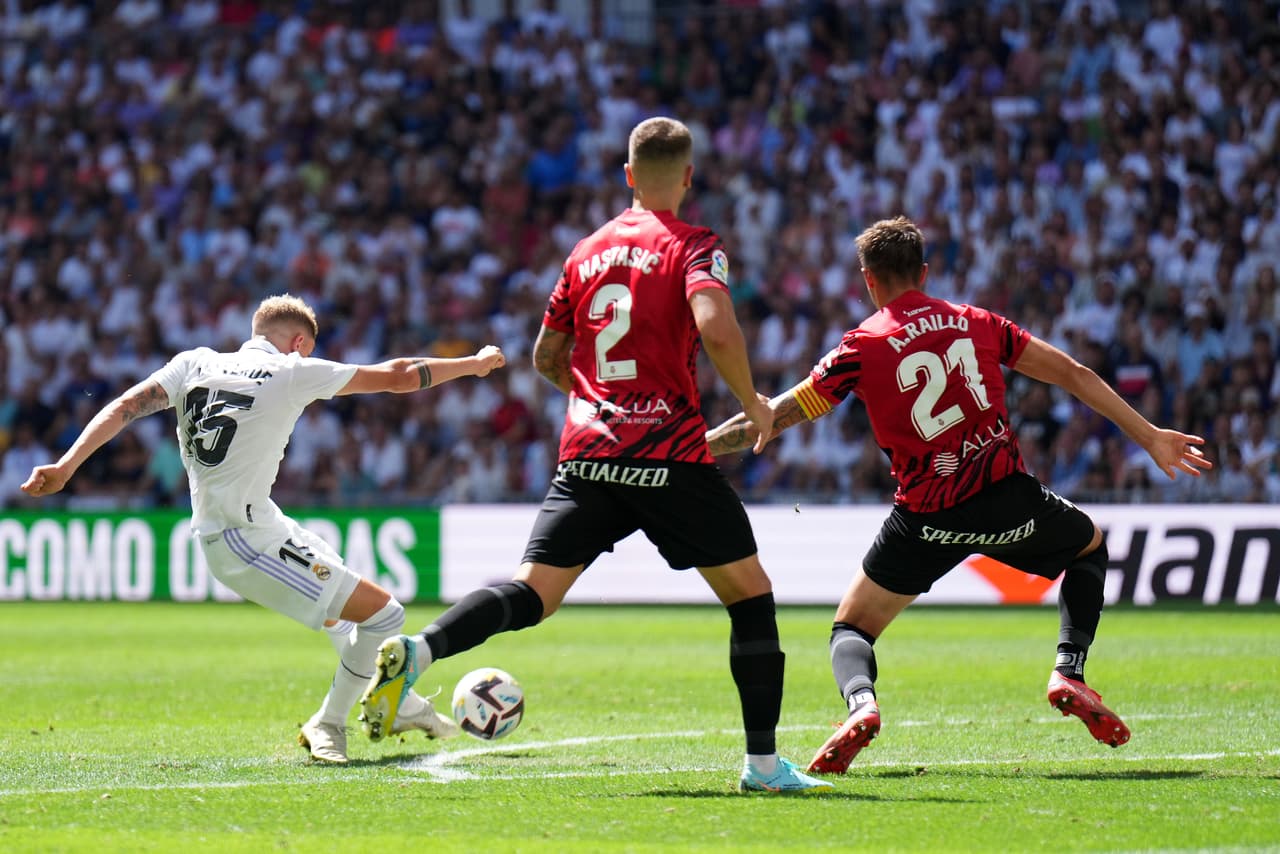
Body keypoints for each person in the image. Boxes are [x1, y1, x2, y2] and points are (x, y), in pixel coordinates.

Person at [358, 117, 832, 794]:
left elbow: (546, 357)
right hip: (670, 455)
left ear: (628, 176)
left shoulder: (585, 252)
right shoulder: (696, 245)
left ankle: (420, 649)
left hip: (588, 454)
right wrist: (754, 403)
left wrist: (592, 400)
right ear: (689, 178)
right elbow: (716, 326)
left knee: (533, 593)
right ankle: (762, 767)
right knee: (750, 597)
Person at [705, 217, 1211, 774]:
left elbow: (775, 417)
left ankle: (862, 703)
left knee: (852, 628)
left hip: (924, 518)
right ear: (924, 272)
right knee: (1088, 547)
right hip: (1007, 501)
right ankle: (1068, 670)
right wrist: (1150, 437)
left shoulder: (861, 345)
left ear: (869, 282)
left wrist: (699, 445)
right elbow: (1072, 373)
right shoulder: (978, 322)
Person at [21, 295, 506, 764]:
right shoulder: (292, 371)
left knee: (347, 614)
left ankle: (402, 703)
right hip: (243, 541)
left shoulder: (195, 362)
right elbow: (399, 376)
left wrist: (66, 467)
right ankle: (329, 723)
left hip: (258, 522)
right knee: (386, 616)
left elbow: (124, 407)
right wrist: (473, 363)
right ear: (298, 342)